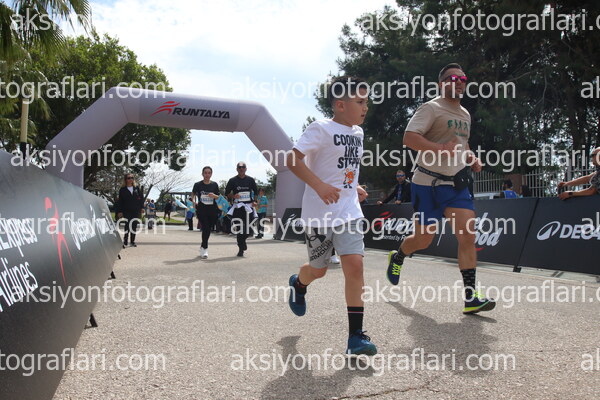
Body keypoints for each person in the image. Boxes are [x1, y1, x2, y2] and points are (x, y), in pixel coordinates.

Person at [386, 63, 495, 314]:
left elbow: (463, 144)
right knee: (424, 240)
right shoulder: (431, 108)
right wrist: (440, 149)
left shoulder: (465, 114)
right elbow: (409, 138)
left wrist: (471, 158)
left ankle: (471, 297)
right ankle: (398, 256)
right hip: (427, 184)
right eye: (453, 79)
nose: (459, 82)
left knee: (467, 235)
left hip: (455, 185)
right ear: (441, 84)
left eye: (463, 79)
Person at [286, 75, 375, 355]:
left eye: (366, 101)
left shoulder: (358, 133)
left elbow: (345, 167)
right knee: (318, 270)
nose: (365, 107)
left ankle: (355, 338)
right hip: (319, 214)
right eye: (359, 101)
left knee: (355, 267)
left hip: (349, 211)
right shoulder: (320, 128)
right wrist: (319, 186)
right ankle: (299, 284)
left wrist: (353, 186)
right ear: (340, 104)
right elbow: (292, 160)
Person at [225, 162, 258, 257]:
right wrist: (233, 196)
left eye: (243, 167)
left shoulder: (250, 180)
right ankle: (241, 249)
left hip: (248, 207)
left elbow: (256, 192)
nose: (241, 169)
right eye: (239, 167)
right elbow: (227, 193)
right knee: (240, 229)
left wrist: (255, 201)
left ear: (246, 169)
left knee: (249, 230)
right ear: (237, 169)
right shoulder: (232, 180)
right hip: (238, 207)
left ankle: (242, 241)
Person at [192, 166, 220, 259]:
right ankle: (205, 248)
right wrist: (193, 202)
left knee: (209, 228)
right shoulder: (197, 184)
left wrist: (214, 195)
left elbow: (218, 197)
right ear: (202, 174)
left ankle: (202, 245)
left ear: (211, 174)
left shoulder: (214, 185)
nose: (207, 175)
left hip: (212, 210)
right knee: (206, 227)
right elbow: (193, 194)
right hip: (202, 209)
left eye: (209, 173)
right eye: (205, 173)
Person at [115, 173, 145, 248]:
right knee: (127, 225)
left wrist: (142, 207)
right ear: (125, 180)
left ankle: (132, 241)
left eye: (132, 178)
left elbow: (141, 198)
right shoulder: (122, 190)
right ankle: (125, 241)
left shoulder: (136, 188)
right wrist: (119, 211)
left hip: (135, 210)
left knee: (134, 225)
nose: (131, 179)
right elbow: (120, 201)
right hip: (126, 210)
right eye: (129, 178)